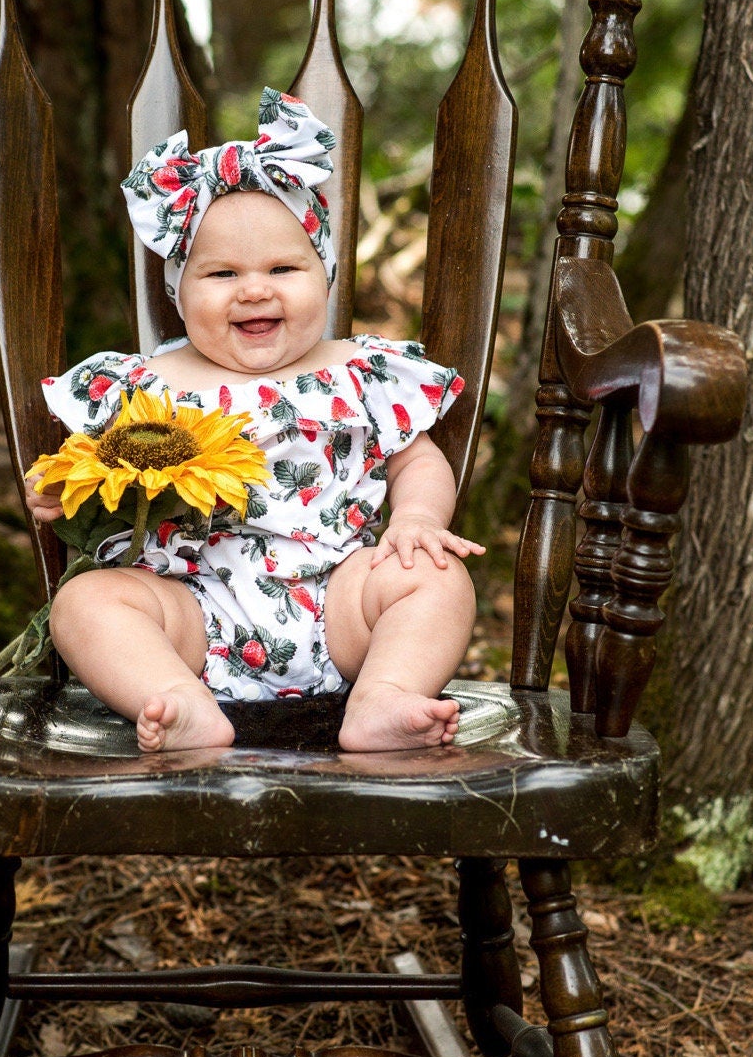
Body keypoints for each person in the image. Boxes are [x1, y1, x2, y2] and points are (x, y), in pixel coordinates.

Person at [26, 87, 483, 755]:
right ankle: (178, 702)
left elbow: (417, 458)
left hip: (339, 600)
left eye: (282, 267)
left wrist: (417, 521)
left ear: (322, 274)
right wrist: (64, 488)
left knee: (437, 580)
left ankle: (384, 694)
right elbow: (97, 460)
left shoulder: (361, 371)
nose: (254, 289)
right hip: (190, 611)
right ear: (178, 290)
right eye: (220, 273)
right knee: (86, 604)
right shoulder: (149, 383)